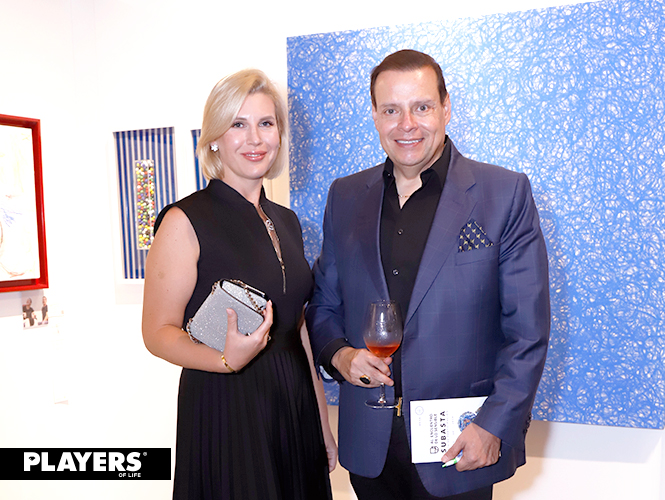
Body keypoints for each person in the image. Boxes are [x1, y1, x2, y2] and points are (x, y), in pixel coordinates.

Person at [306, 49, 550, 500]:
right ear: (374, 115)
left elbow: (527, 333)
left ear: (445, 108)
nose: (407, 125)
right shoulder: (345, 196)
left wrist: (493, 425)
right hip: (371, 451)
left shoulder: (504, 193)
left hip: (460, 447)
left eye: (421, 107)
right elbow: (323, 304)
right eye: (391, 110)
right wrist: (339, 355)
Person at [142, 69, 335, 500]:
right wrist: (225, 360)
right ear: (214, 138)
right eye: (238, 124)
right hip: (227, 404)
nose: (255, 139)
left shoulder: (287, 221)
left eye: (266, 123)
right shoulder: (183, 220)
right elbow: (157, 333)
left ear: (279, 134)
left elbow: (296, 327)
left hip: (293, 401)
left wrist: (322, 422)